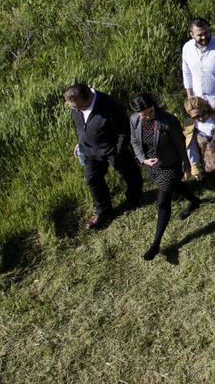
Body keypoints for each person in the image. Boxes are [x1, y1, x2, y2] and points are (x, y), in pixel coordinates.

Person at [130, 93, 202, 261]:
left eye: (151, 111)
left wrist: (187, 166)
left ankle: (156, 244)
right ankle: (194, 200)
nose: (148, 116)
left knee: (163, 201)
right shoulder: (134, 120)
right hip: (153, 166)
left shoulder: (168, 121)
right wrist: (143, 160)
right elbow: (134, 141)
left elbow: (180, 145)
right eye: (144, 114)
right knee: (174, 186)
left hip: (171, 165)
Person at [63, 82, 143, 229]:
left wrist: (118, 151)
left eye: (74, 105)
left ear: (86, 98)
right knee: (92, 179)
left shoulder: (109, 105)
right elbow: (82, 126)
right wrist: (81, 142)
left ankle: (134, 198)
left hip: (112, 149)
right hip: (90, 150)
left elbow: (124, 130)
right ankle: (103, 210)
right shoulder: (76, 106)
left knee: (129, 173)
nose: (71, 108)